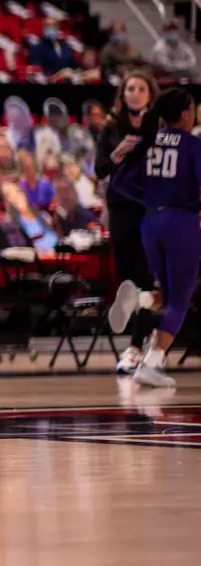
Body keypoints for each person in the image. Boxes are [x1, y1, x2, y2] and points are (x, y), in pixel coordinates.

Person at [107, 88, 201, 389]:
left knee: (165, 292)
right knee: (180, 300)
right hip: (181, 222)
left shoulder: (147, 140)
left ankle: (139, 299)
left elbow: (118, 182)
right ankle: (151, 363)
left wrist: (149, 198)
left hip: (150, 221)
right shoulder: (192, 145)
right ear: (185, 113)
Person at [95, 70, 160, 373]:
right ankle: (144, 338)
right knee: (127, 281)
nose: (135, 93)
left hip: (149, 208)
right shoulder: (110, 127)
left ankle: (135, 347)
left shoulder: (157, 127)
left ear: (150, 95)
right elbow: (100, 168)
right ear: (123, 94)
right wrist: (120, 152)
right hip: (120, 208)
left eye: (140, 89)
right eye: (130, 88)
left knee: (145, 277)